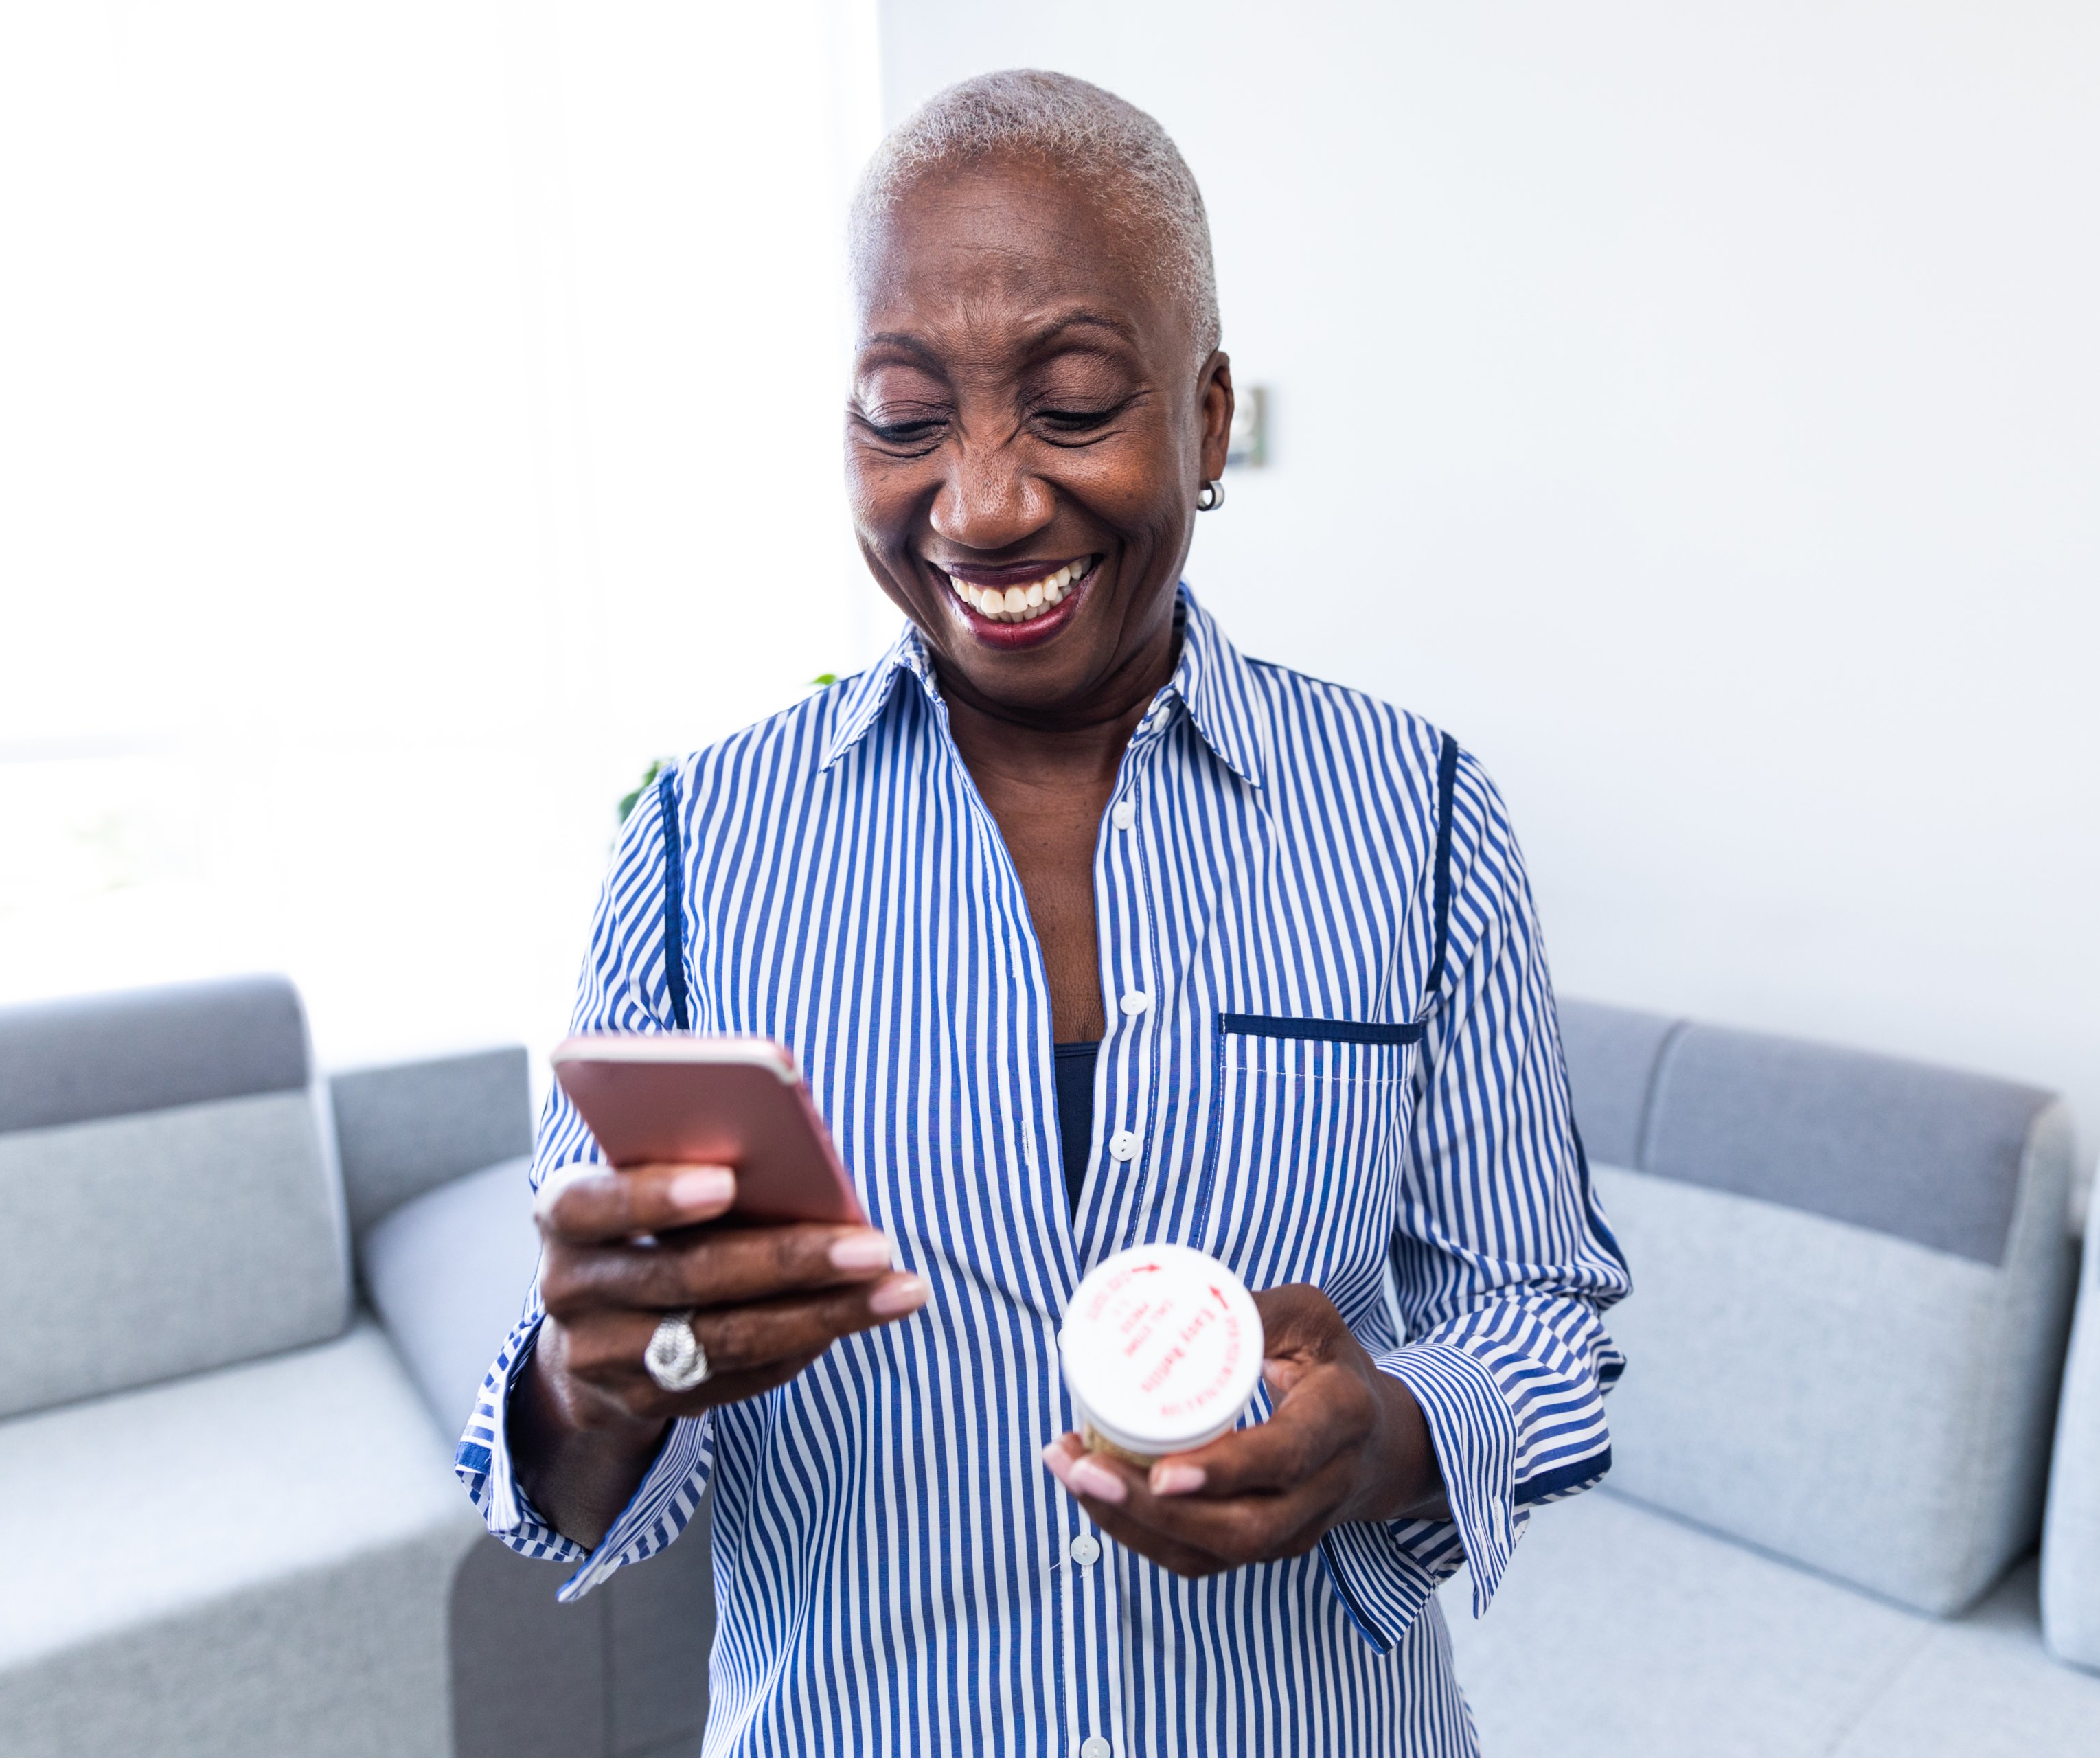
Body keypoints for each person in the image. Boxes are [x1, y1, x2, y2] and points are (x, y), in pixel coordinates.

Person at [460, 67, 1630, 1757]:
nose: (984, 501)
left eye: (1074, 404)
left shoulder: (1417, 814)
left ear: (1212, 419)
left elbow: (1542, 1320)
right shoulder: (698, 846)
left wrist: (1378, 1432)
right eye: (905, 414)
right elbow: (568, 1466)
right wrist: (594, 1383)